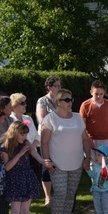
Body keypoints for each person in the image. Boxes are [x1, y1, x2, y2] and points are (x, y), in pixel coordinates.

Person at [41, 88, 92, 214]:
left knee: (70, 194)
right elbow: (44, 142)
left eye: (71, 99)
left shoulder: (77, 117)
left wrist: (87, 157)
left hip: (76, 162)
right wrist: (47, 160)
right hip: (57, 163)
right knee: (60, 193)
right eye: (67, 100)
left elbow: (84, 139)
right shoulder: (50, 119)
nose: (70, 102)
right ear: (58, 102)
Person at [1, 120, 45, 214]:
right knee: (15, 211)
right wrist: (20, 154)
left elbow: (35, 155)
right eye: (22, 134)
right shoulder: (6, 147)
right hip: (14, 180)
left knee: (25, 211)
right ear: (14, 133)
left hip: (26, 178)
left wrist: (44, 162)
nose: (24, 137)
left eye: (26, 134)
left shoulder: (26, 144)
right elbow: (7, 167)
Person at [36, 76, 62, 206]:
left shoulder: (60, 100)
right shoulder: (42, 101)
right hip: (46, 137)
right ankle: (48, 196)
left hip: (59, 138)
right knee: (47, 165)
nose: (58, 88)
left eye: (59, 86)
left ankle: (59, 195)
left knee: (60, 166)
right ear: (49, 87)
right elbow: (42, 119)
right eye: (56, 86)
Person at [79, 80, 108, 152]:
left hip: (106, 139)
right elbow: (81, 125)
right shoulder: (85, 105)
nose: (99, 96)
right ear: (91, 93)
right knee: (92, 162)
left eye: (101, 94)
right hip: (91, 139)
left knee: (106, 162)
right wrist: (87, 139)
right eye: (96, 94)